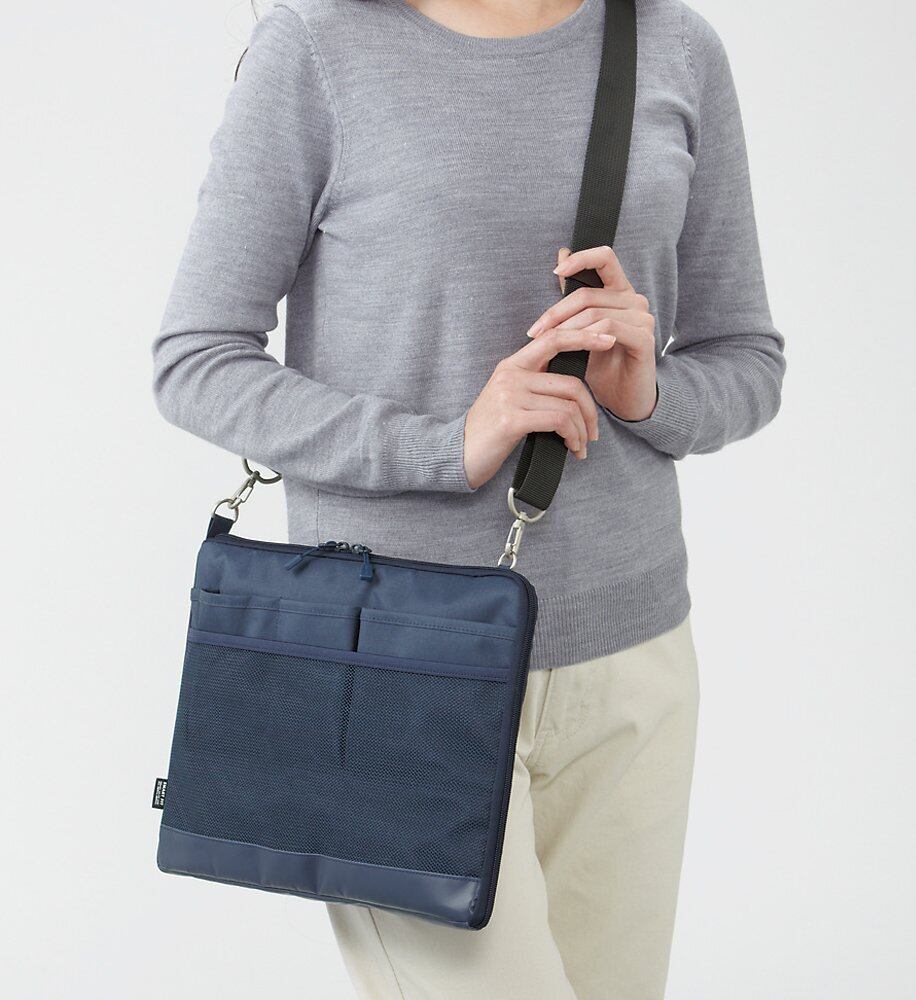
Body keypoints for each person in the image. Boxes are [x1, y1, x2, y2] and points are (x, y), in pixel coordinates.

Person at [152, 0, 785, 996]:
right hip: (390, 661)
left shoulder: (675, 46)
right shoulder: (319, 45)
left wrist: (647, 392)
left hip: (631, 660)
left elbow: (747, 359)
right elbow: (196, 360)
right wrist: (445, 444)